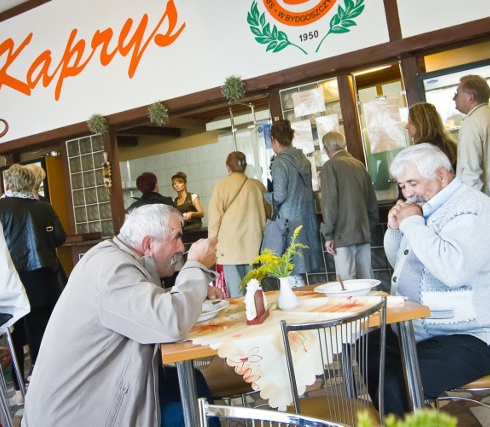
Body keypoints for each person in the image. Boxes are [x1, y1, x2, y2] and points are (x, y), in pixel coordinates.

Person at [22, 204, 224, 426]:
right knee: (189, 414)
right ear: (148, 244)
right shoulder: (113, 271)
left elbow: (140, 305)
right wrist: (196, 267)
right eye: (176, 238)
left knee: (193, 383)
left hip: (98, 388)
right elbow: (170, 322)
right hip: (77, 412)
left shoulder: (113, 256)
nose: (180, 247)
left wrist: (195, 292)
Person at [367, 143, 490, 417]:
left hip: (479, 336)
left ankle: (403, 407)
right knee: (368, 345)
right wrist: (396, 229)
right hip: (430, 330)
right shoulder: (431, 206)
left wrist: (413, 223)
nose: (407, 193)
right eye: (402, 186)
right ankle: (403, 414)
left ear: (441, 176)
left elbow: (452, 270)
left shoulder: (471, 208)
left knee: (397, 382)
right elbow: (401, 264)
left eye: (413, 183)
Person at [0, 164, 66, 393]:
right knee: (41, 331)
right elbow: (59, 237)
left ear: (9, 182)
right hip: (43, 279)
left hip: (12, 279)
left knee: (14, 332)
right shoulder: (44, 208)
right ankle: (41, 381)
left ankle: (17, 388)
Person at [263, 119, 322, 281]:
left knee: (291, 274)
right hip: (307, 218)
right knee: (301, 270)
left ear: (273, 139)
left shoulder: (280, 162)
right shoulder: (302, 159)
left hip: (289, 223)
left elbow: (279, 195)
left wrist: (265, 195)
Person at [319, 131, 379, 280]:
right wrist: (367, 227)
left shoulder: (329, 167)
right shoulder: (359, 165)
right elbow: (372, 202)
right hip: (363, 233)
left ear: (326, 148)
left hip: (342, 236)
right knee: (367, 282)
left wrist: (328, 235)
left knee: (347, 284)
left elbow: (329, 204)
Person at [208, 151, 267, 297]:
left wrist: (212, 243)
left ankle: (241, 318)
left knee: (237, 294)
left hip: (229, 249)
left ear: (228, 167)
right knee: (256, 293)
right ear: (245, 166)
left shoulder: (220, 187)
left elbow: (214, 219)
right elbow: (268, 214)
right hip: (254, 246)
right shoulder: (258, 186)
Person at [454, 75, 490, 204]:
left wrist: (470, 205)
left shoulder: (471, 123)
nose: (454, 98)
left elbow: (471, 170)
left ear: (470, 97)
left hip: (486, 200)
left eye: (457, 94)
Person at [405, 102, 458, 170]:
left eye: (410, 122)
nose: (406, 126)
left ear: (421, 124)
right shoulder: (449, 145)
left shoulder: (423, 151)